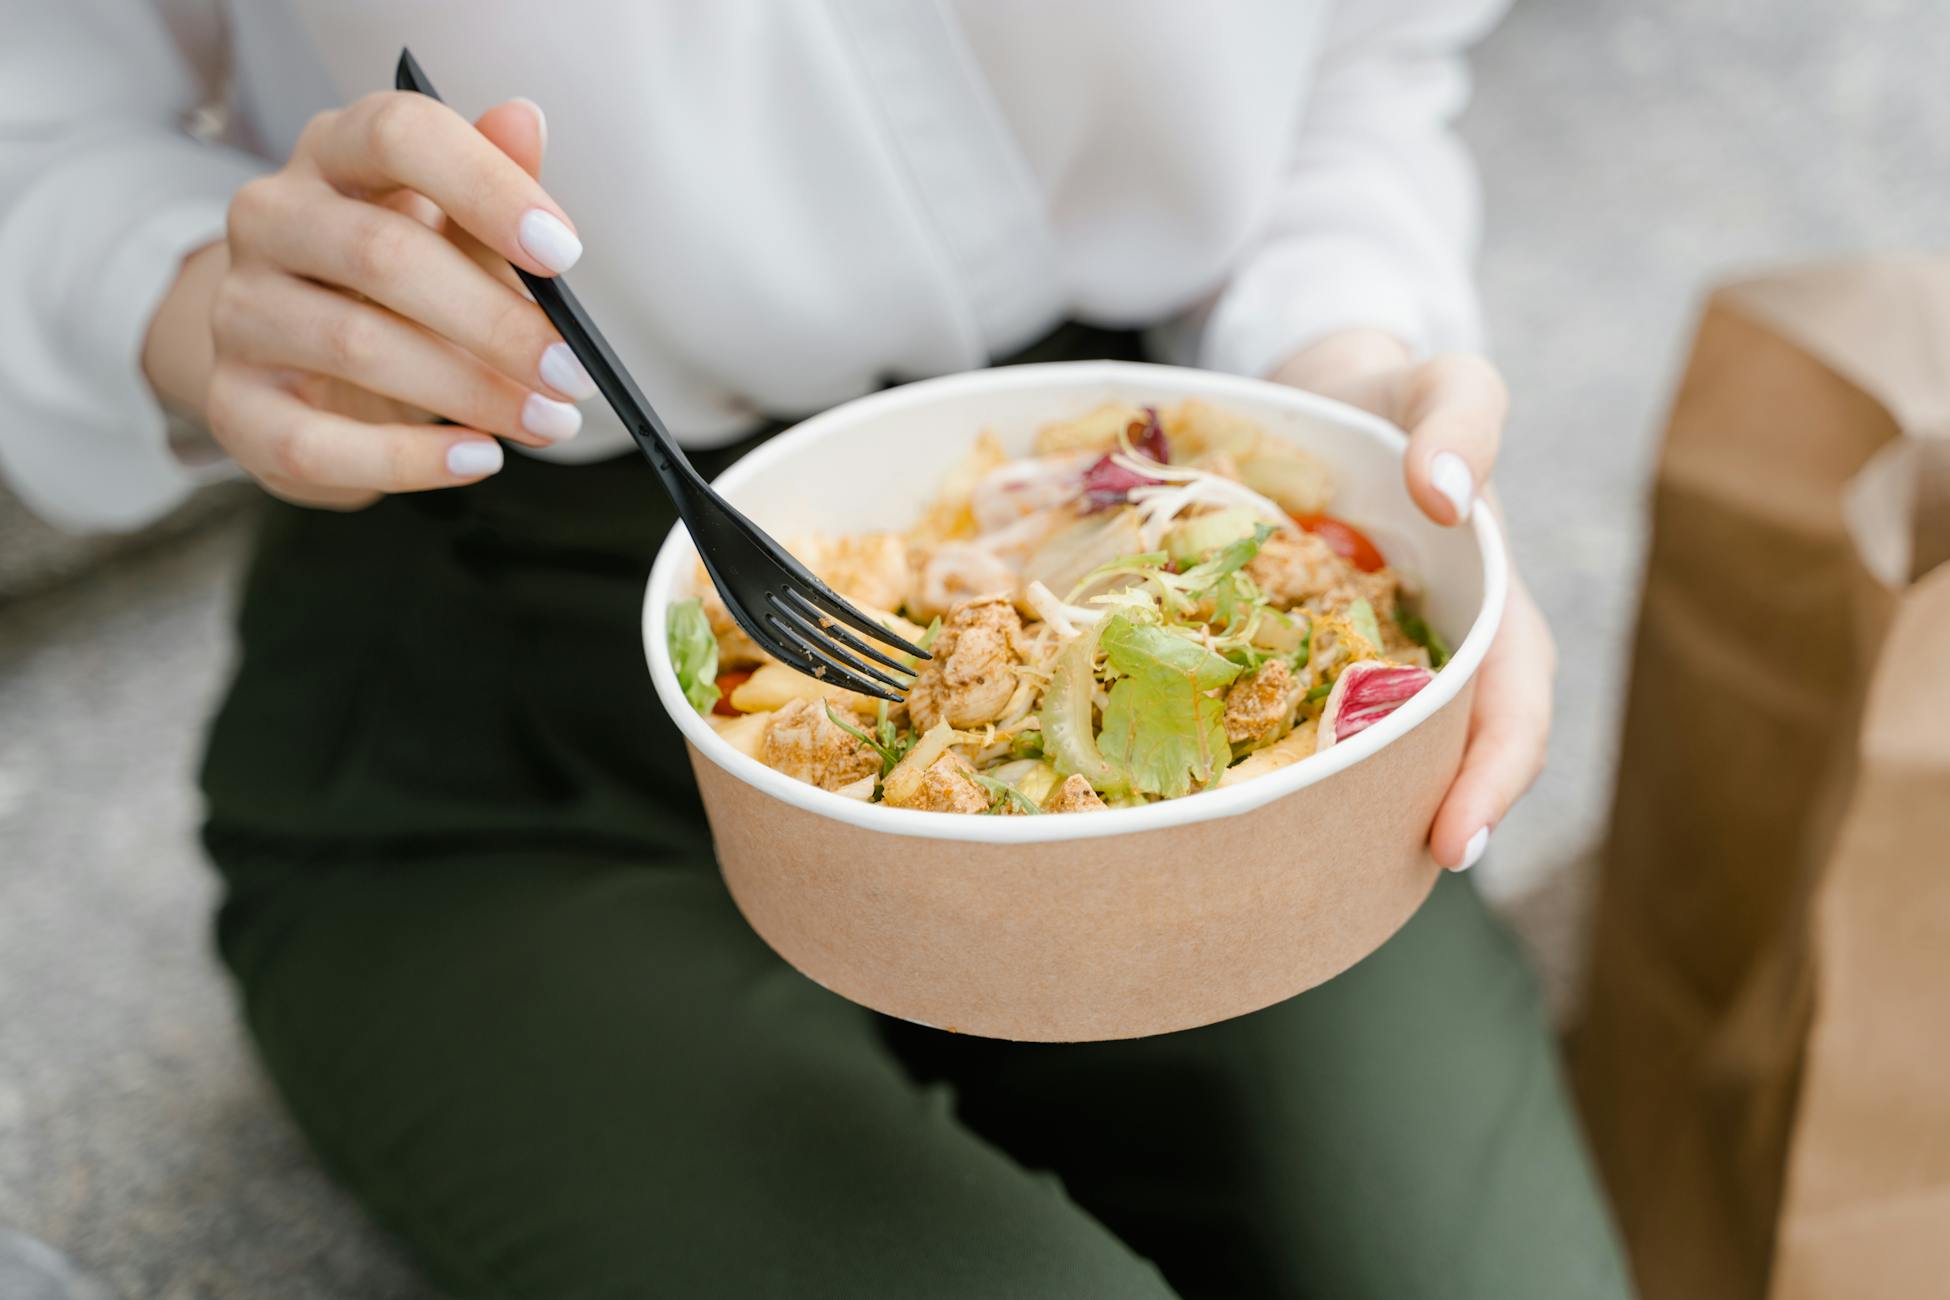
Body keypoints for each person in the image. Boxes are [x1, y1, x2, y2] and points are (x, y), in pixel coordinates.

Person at [1, 3, 1629, 1297]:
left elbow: (1352, 60)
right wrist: (210, 293)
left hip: (1153, 566)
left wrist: (1342, 385)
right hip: (495, 685)